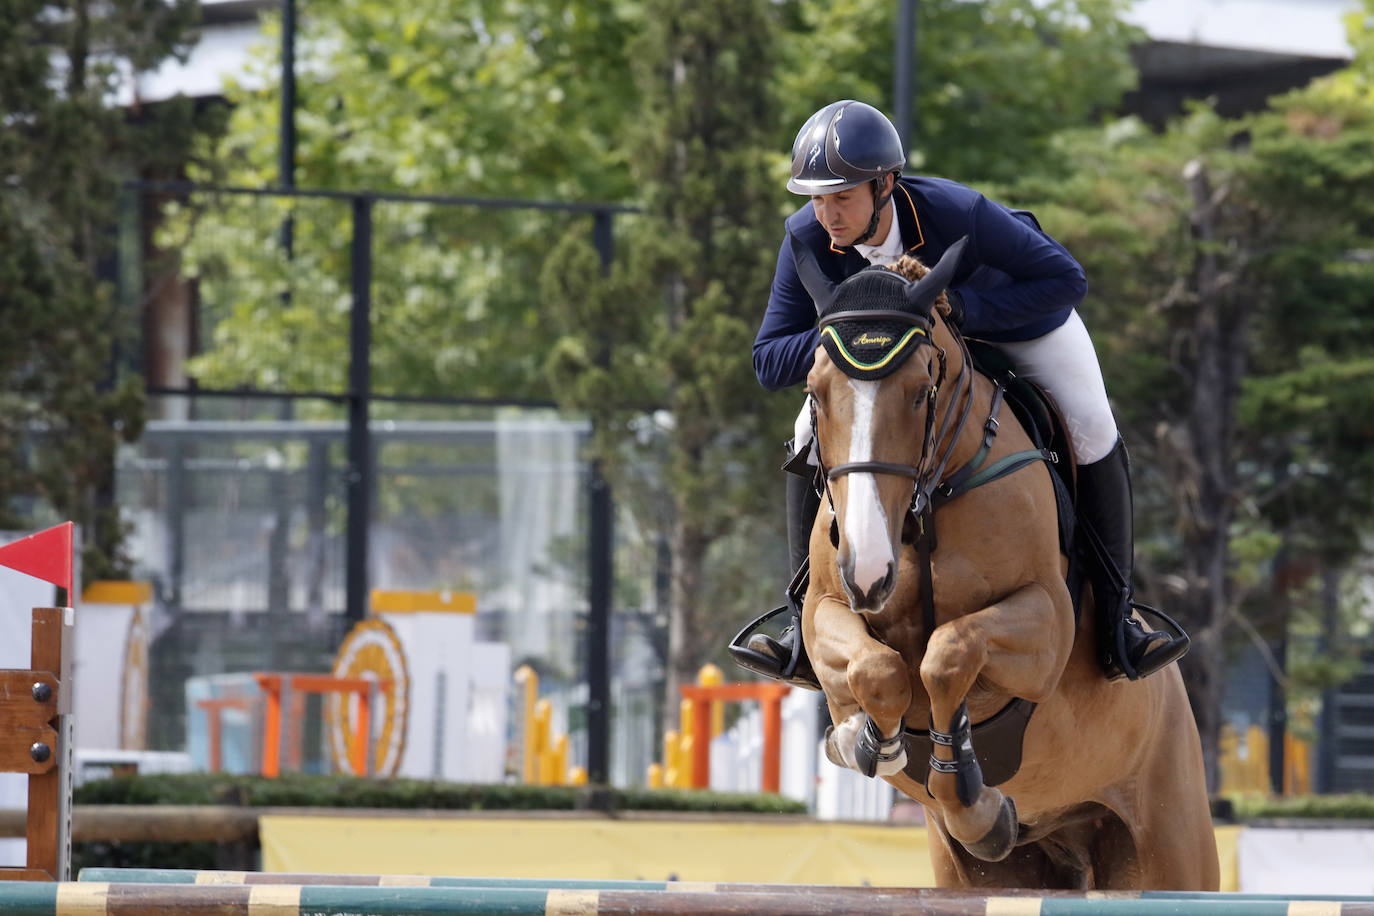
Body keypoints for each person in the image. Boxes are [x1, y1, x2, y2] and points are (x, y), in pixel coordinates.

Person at [734, 99, 1187, 685]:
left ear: (885, 185)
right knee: (805, 434)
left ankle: (1119, 616)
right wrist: (850, 335)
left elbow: (1064, 279)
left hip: (1016, 326)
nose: (828, 215)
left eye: (841, 197)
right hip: (892, 365)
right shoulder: (806, 238)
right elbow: (769, 359)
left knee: (1093, 425)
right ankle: (801, 623)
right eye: (817, 198)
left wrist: (966, 310)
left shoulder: (956, 211)